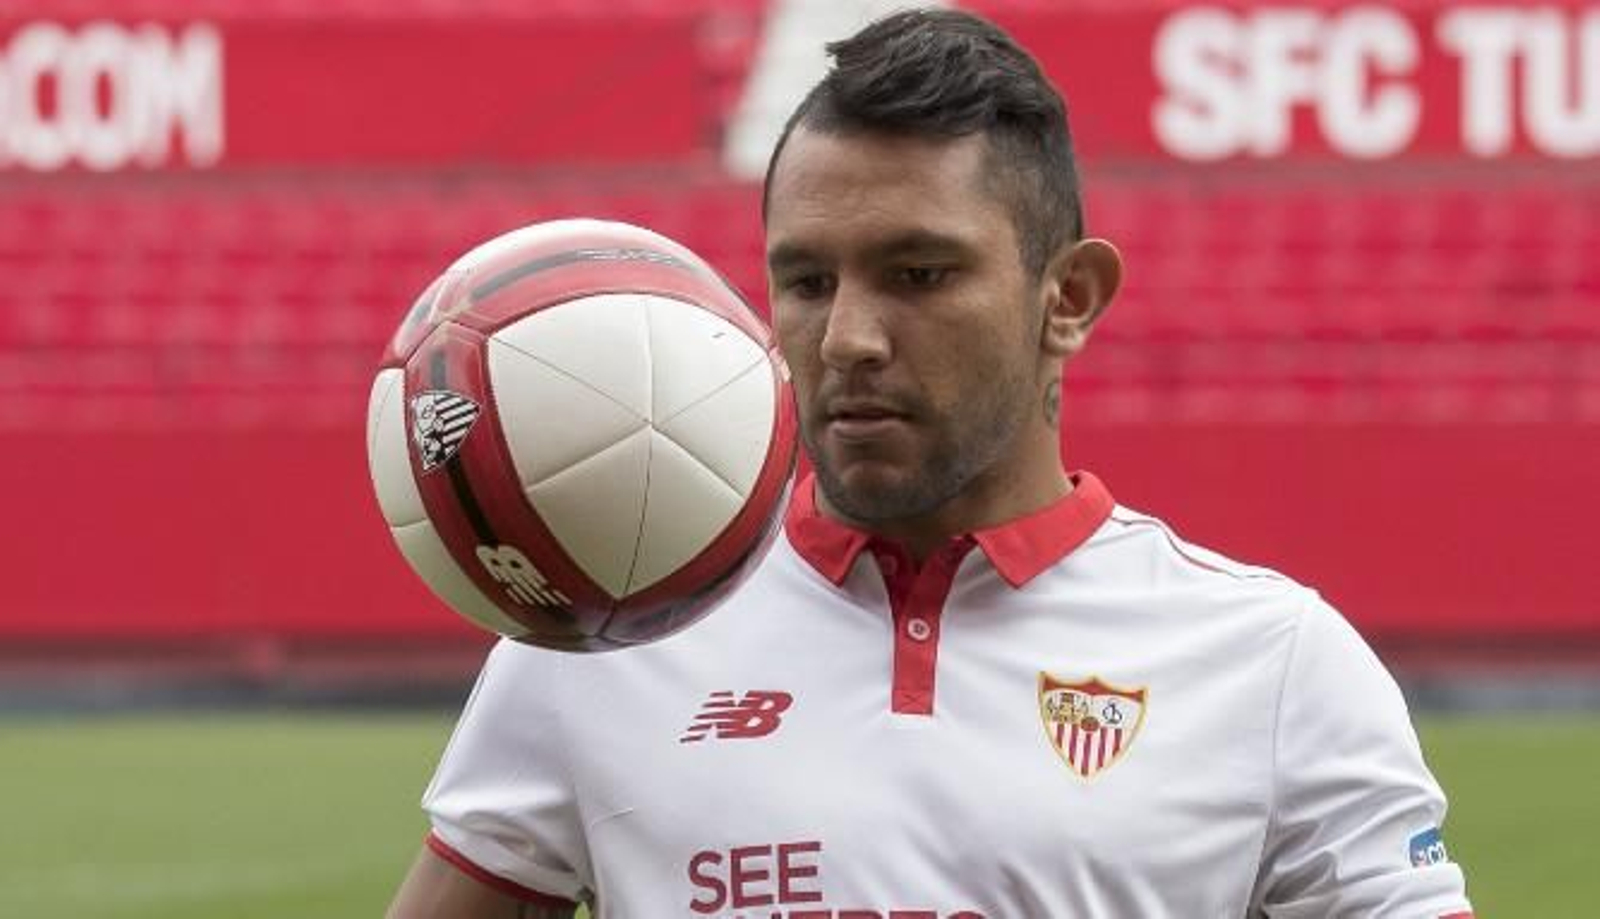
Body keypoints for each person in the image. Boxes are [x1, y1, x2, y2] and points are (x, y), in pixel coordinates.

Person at [387, 9, 1474, 918]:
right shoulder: (616, 621)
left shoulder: (1275, 664)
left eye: (918, 274)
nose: (847, 338)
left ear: (1069, 298)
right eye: (807, 281)